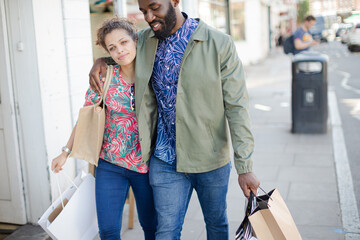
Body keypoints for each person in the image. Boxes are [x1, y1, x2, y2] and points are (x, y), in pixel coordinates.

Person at [89, 0, 260, 239]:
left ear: (176, 1)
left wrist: (245, 166)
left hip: (209, 158)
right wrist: (101, 62)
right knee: (166, 230)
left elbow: (237, 107)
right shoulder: (146, 40)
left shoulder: (219, 43)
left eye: (154, 7)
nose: (149, 16)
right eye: (143, 11)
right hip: (165, 158)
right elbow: (121, 50)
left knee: (216, 224)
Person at [51, 17, 157, 240]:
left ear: (135, 40)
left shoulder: (152, 75)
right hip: (110, 165)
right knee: (108, 230)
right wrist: (65, 152)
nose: (119, 51)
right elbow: (85, 118)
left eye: (123, 43)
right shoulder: (103, 78)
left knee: (152, 228)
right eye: (112, 48)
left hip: (146, 166)